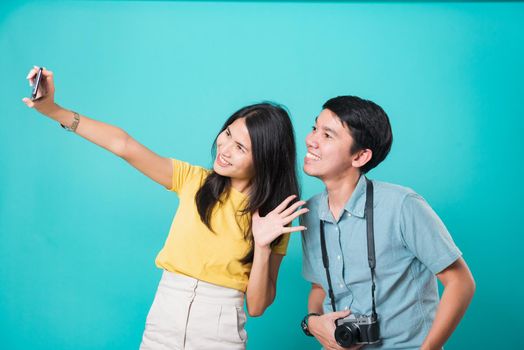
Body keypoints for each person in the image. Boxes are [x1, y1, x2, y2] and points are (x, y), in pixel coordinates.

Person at [22, 66, 309, 350]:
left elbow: (257, 306)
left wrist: (262, 245)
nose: (225, 148)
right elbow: (124, 145)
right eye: (228, 134)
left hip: (220, 332)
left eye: (241, 148)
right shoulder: (193, 180)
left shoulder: (275, 220)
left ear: (266, 159)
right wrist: (52, 109)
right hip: (164, 316)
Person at [299, 96, 475, 350]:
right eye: (315, 128)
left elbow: (461, 282)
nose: (310, 139)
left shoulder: (403, 205)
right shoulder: (309, 211)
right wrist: (314, 323)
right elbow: (319, 287)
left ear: (360, 156)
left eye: (327, 135)